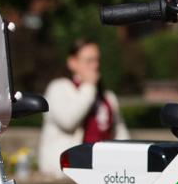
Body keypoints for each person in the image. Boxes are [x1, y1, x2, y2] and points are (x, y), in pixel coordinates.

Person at [39, 39, 128, 174]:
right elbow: (68, 121)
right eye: (89, 61)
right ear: (72, 62)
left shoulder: (107, 97)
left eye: (97, 60)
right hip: (64, 174)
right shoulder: (58, 88)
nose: (95, 66)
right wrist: (89, 87)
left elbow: (121, 136)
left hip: (103, 171)